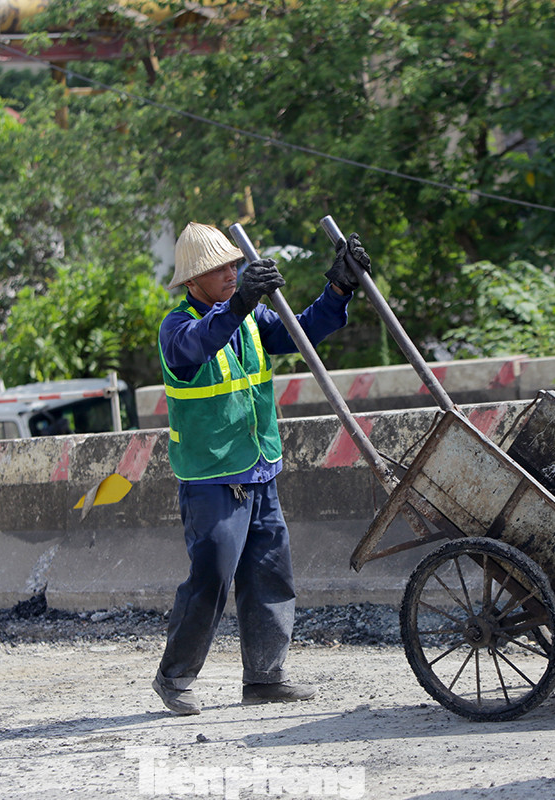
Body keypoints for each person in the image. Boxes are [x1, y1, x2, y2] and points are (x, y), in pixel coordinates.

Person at [151, 220, 368, 715]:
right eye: (217, 268)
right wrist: (240, 303)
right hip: (211, 476)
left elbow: (303, 331)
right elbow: (199, 344)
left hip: (260, 466)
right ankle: (174, 677)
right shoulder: (177, 327)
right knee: (211, 578)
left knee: (270, 573)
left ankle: (265, 677)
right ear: (192, 282)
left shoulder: (250, 318)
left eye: (232, 264)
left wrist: (338, 288)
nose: (230, 272)